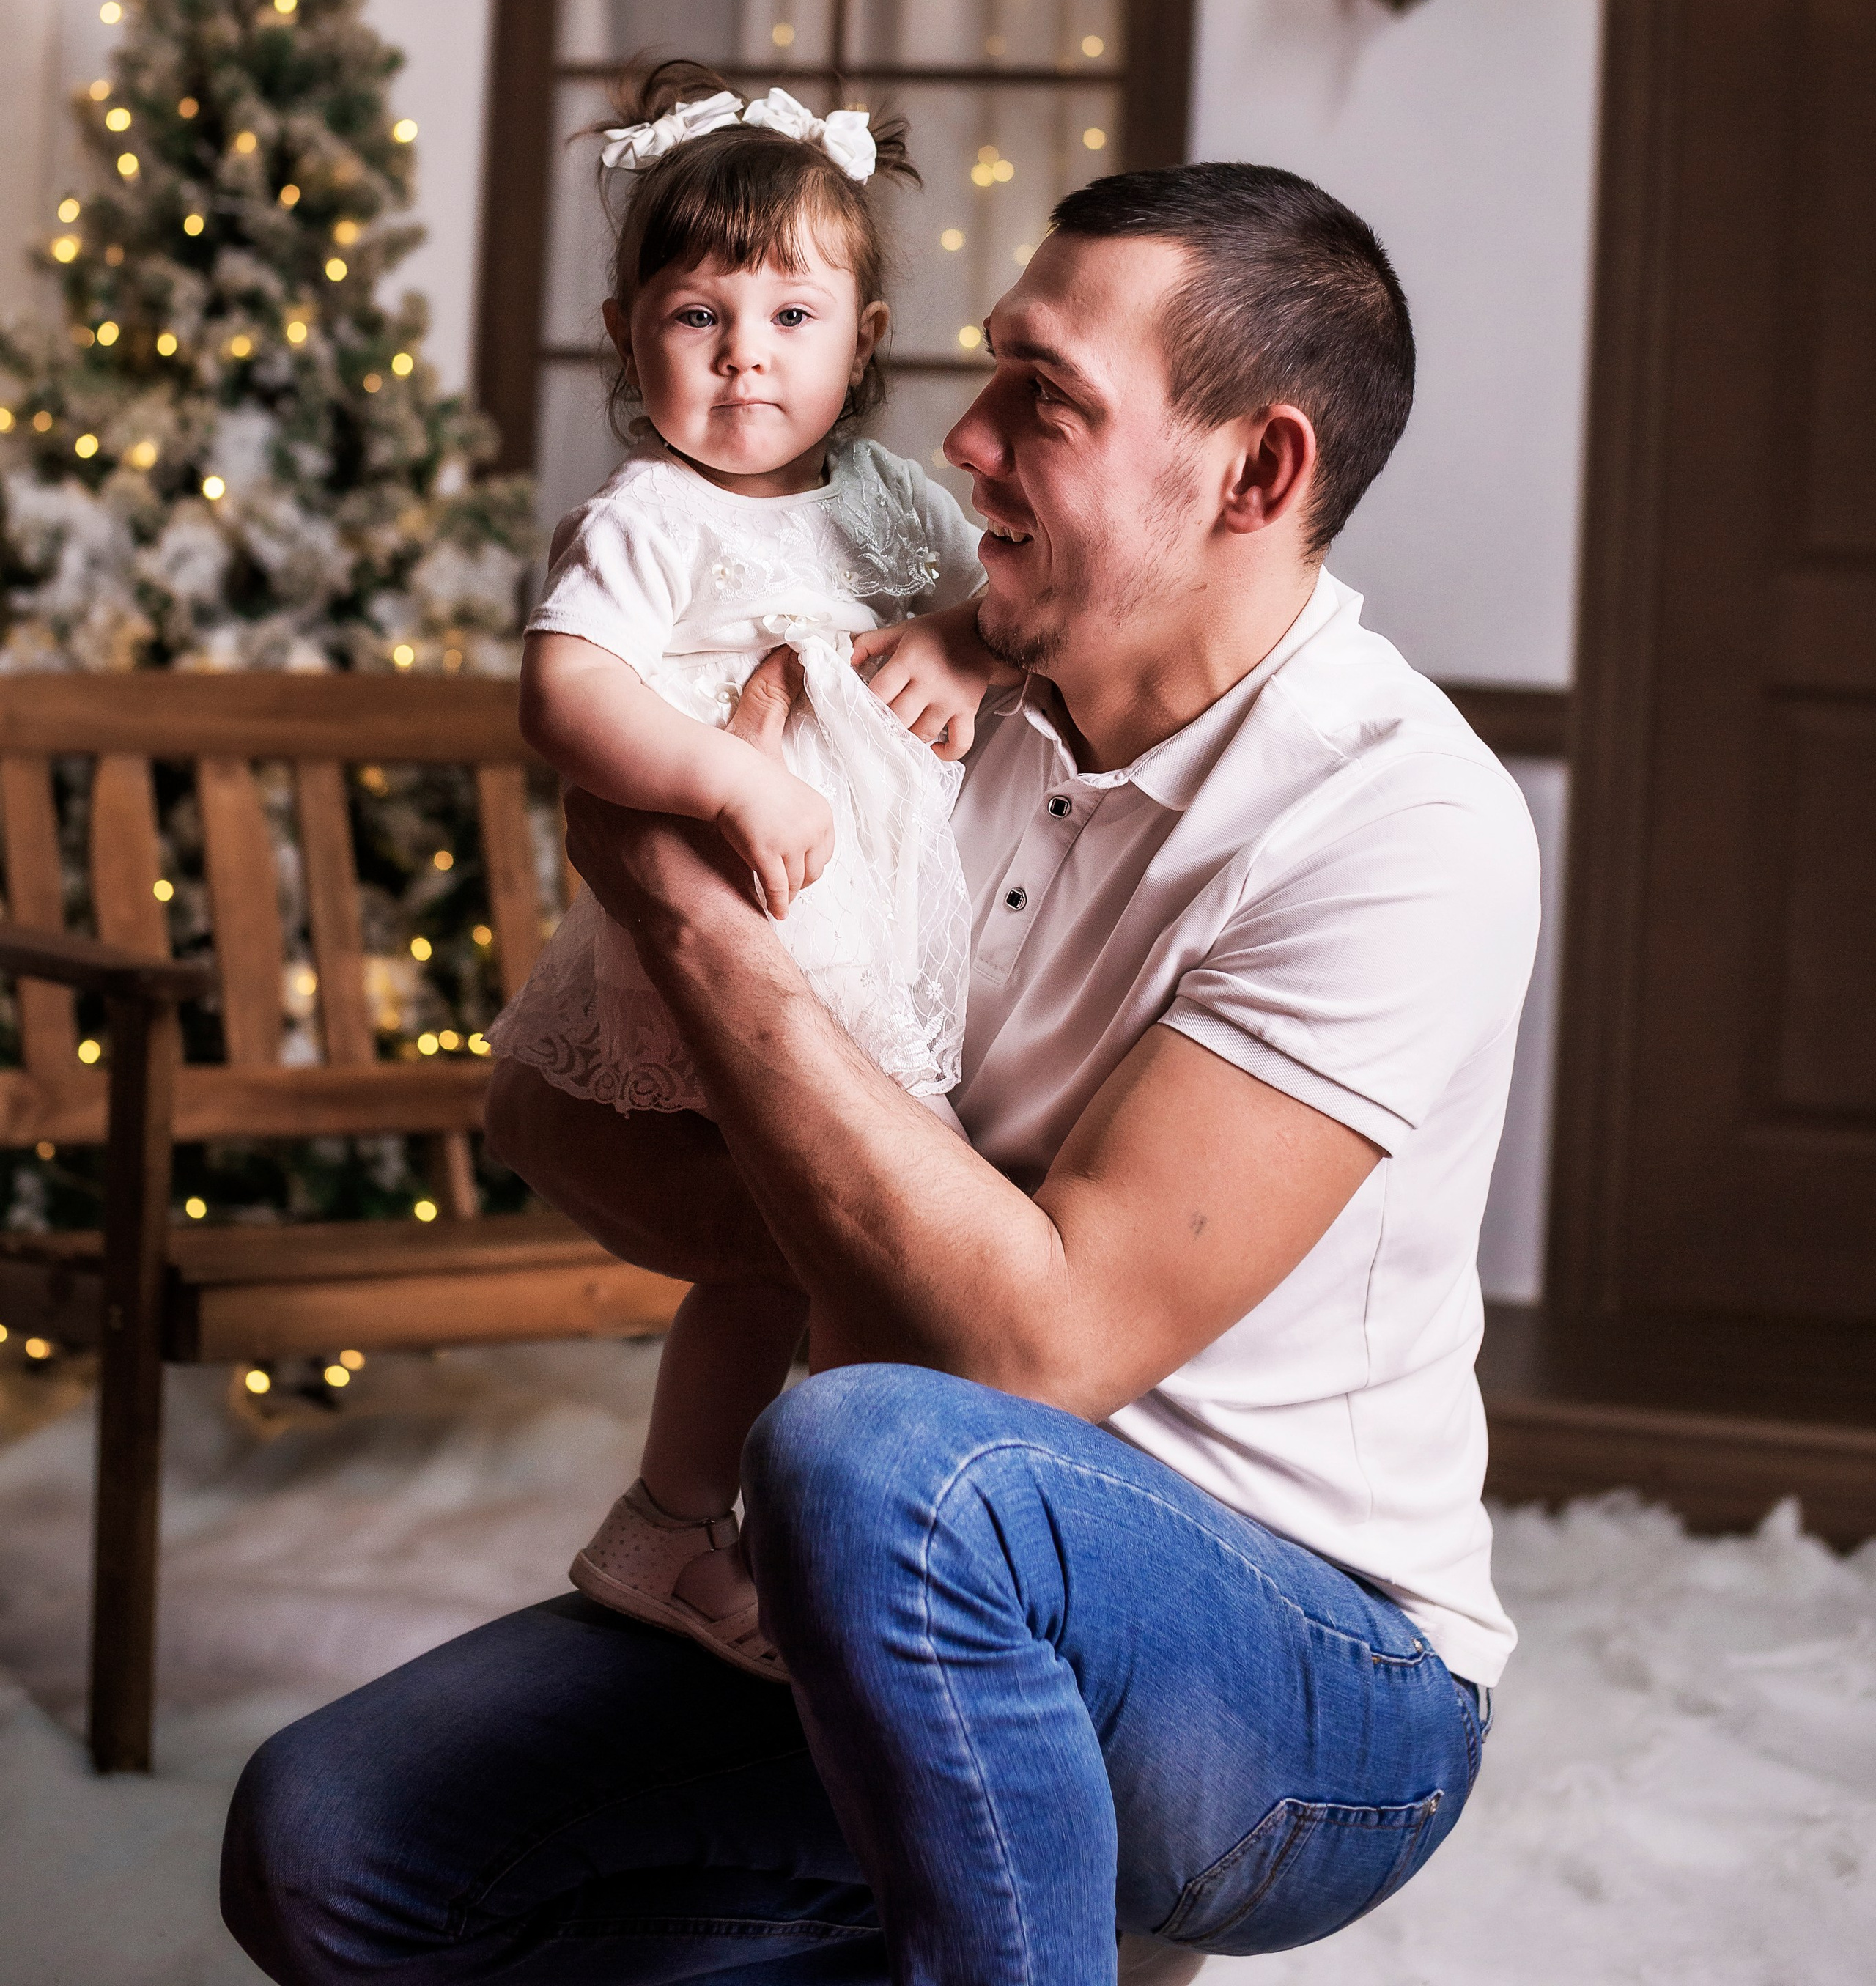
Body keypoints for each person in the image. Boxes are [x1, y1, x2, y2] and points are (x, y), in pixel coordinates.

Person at [223, 160, 1540, 1985]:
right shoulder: (922, 684)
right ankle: (1003, 1890)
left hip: (1311, 1672)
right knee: (325, 1851)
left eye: (1048, 400)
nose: (969, 439)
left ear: (1256, 474)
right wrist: (868, 1216)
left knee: (876, 1444)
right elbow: (545, 1122)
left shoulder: (1398, 824)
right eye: (991, 366)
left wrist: (695, 924)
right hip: (881, 1591)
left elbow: (1025, 1353)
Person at [492, 59, 1008, 1677]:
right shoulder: (649, 516)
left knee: (825, 1251)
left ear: (861, 340)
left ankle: (708, 1525)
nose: (742, 359)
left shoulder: (888, 502)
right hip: (758, 932)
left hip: (897, 935)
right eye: (697, 315)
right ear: (626, 332)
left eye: (791, 316)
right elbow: (564, 689)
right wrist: (720, 771)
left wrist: (959, 647)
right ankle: (741, 1529)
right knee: (818, 1246)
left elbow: (1005, 610)